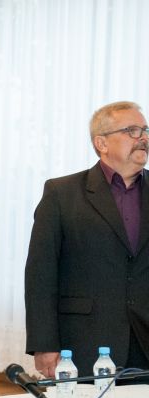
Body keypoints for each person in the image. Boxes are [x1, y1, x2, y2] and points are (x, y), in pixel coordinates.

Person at [25, 101, 149, 380]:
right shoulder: (62, 193)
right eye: (131, 130)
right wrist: (44, 344)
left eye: (145, 130)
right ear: (101, 143)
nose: (142, 138)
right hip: (84, 342)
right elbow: (40, 274)